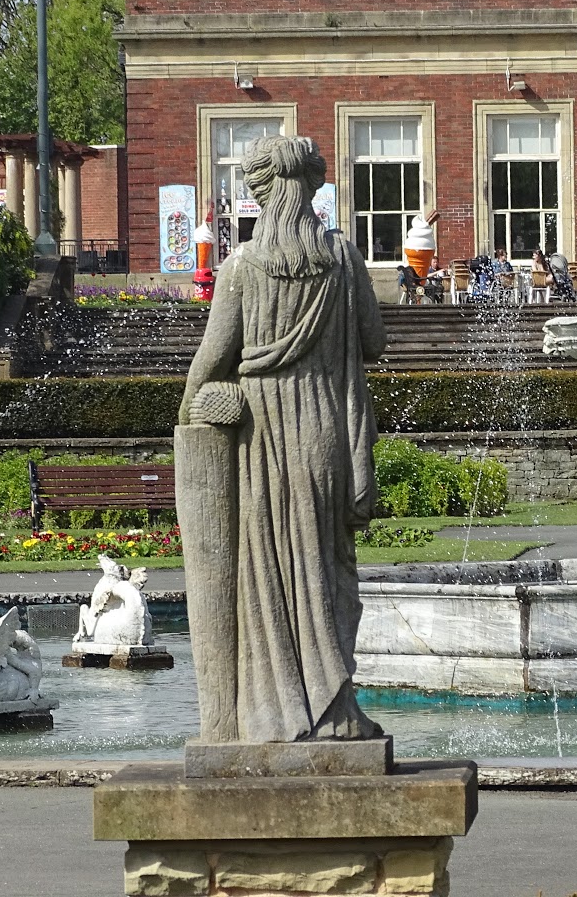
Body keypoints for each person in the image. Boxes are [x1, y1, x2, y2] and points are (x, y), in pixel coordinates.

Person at [178, 135, 385, 742]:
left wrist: (193, 403)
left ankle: (269, 714)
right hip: (326, 429)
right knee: (326, 566)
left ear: (260, 193)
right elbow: (374, 343)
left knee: (268, 570)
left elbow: (212, 358)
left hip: (263, 434)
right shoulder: (343, 258)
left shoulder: (242, 267)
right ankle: (335, 711)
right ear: (313, 187)